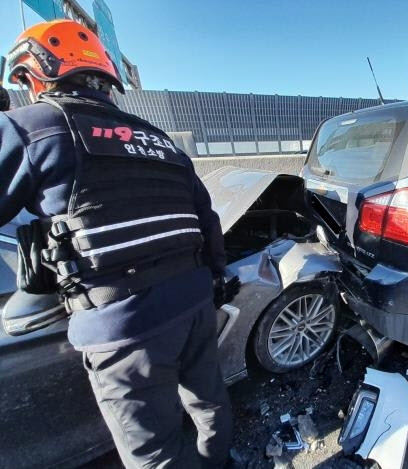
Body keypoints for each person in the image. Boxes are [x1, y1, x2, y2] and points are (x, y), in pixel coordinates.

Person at [1, 20, 234, 468]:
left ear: (36, 76)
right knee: (210, 404)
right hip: (193, 302)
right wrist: (216, 278)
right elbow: (208, 222)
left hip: (123, 326)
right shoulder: (159, 139)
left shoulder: (35, 127)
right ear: (106, 78)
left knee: (152, 451)